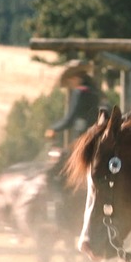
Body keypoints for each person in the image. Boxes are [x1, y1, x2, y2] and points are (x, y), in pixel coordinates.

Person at [44, 61, 103, 208]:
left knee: (55, 171)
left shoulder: (80, 92)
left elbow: (70, 118)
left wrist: (54, 128)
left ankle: (58, 203)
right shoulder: (94, 92)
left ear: (75, 77)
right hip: (95, 138)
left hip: (82, 141)